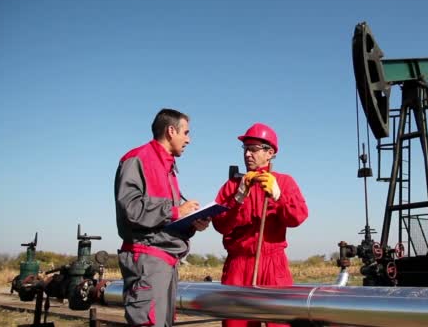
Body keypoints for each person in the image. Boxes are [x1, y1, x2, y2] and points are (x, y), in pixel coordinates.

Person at [115, 108, 210, 327]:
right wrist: (177, 210)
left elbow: (163, 220)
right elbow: (130, 208)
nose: (189, 139)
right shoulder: (137, 159)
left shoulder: (168, 167)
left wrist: (192, 223)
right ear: (170, 131)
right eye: (186, 132)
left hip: (166, 262)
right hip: (148, 260)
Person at [213, 123, 308, 327]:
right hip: (239, 266)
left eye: (253, 149)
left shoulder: (284, 182)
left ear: (270, 153)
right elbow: (220, 225)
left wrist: (279, 196)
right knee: (235, 323)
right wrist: (237, 198)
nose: (247, 154)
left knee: (280, 323)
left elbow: (298, 217)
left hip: (273, 265)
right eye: (245, 149)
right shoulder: (231, 186)